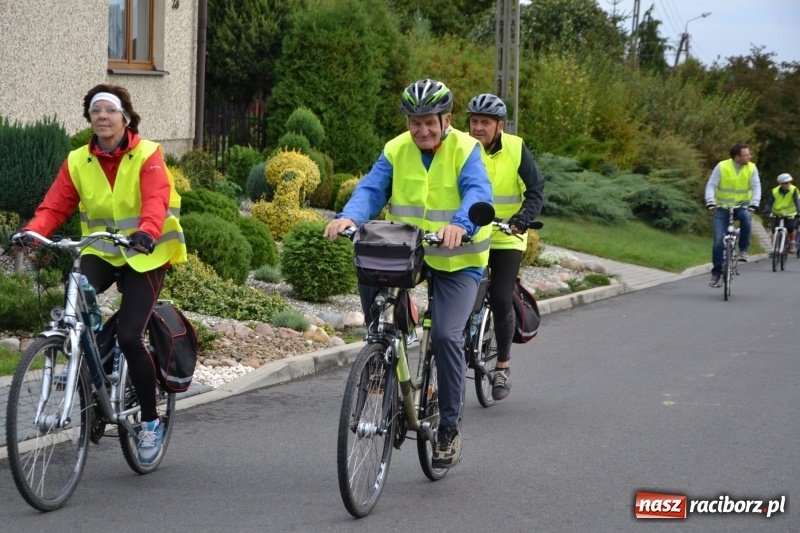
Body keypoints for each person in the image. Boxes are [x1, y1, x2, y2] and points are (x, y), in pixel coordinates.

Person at [10, 84, 187, 464]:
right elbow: (55, 206)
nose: (102, 117)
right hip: (102, 250)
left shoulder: (148, 153)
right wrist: (33, 232)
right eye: (95, 111)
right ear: (89, 119)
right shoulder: (78, 160)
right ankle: (91, 377)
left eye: (109, 110)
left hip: (146, 253)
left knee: (129, 335)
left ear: (125, 117)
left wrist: (146, 232)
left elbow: (156, 200)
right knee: (75, 309)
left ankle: (150, 423)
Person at [324, 79, 493, 469]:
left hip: (458, 259)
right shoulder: (396, 149)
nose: (421, 130)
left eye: (429, 122)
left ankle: (449, 429)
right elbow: (371, 188)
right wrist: (349, 216)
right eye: (414, 122)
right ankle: (384, 350)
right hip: (408, 254)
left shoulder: (466, 149)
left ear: (446, 119)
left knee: (449, 336)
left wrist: (461, 223)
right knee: (372, 281)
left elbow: (477, 192)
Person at [466, 93, 544, 401]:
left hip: (507, 234)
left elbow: (536, 188)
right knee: (459, 296)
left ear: (499, 126)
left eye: (485, 122)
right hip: (472, 230)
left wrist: (522, 218)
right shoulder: (460, 146)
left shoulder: (515, 148)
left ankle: (502, 366)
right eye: (474, 121)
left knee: (500, 296)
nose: (478, 128)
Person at [704, 144, 761, 287]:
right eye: (746, 155)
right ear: (737, 157)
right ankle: (716, 273)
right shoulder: (722, 166)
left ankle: (744, 250)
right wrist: (710, 202)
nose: (749, 156)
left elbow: (756, 186)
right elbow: (711, 185)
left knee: (746, 218)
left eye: (749, 154)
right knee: (718, 241)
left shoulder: (751, 168)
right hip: (722, 207)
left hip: (742, 205)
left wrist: (754, 203)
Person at [763, 173, 800, 255]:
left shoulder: (794, 190)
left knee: (791, 228)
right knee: (774, 230)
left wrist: (799, 211)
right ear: (781, 184)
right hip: (778, 213)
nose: (789, 184)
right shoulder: (775, 191)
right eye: (786, 183)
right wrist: (766, 210)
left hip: (791, 213)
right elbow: (769, 202)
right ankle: (774, 249)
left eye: (789, 182)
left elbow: (797, 201)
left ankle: (792, 243)